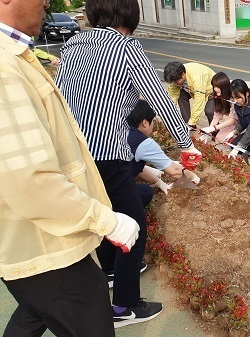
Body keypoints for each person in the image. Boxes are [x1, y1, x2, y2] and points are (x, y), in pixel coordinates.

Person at [55, 0, 201, 328]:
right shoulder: (125, 46)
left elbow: (61, 99)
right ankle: (124, 308)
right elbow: (160, 98)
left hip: (79, 155)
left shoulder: (72, 44)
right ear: (130, 13)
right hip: (109, 152)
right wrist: (186, 145)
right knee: (133, 226)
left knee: (107, 216)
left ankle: (109, 271)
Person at [0, 0, 140, 335]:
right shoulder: (4, 68)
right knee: (86, 318)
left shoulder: (60, 46)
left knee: (34, 311)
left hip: (33, 238)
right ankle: (127, 304)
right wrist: (107, 220)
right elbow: (28, 179)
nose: (48, 2)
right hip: (48, 242)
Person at [127, 99, 201, 197]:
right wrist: (194, 177)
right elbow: (174, 171)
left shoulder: (121, 129)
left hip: (103, 180)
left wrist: (159, 183)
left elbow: (133, 165)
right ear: (145, 123)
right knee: (146, 192)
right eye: (153, 121)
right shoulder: (143, 142)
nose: (153, 125)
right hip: (112, 188)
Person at [164, 61, 216, 130]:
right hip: (192, 89)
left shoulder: (196, 79)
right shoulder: (176, 74)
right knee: (181, 94)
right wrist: (169, 111)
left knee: (209, 111)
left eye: (176, 82)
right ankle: (188, 124)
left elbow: (198, 102)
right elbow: (172, 95)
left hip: (211, 90)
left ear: (183, 75)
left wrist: (193, 121)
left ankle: (215, 132)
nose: (175, 83)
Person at [198, 72, 239, 143]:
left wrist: (213, 128)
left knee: (222, 140)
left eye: (218, 87)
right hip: (230, 123)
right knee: (218, 139)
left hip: (239, 125)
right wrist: (208, 132)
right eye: (214, 86)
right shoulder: (218, 97)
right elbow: (216, 117)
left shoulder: (232, 98)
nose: (215, 89)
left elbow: (233, 120)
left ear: (224, 87)